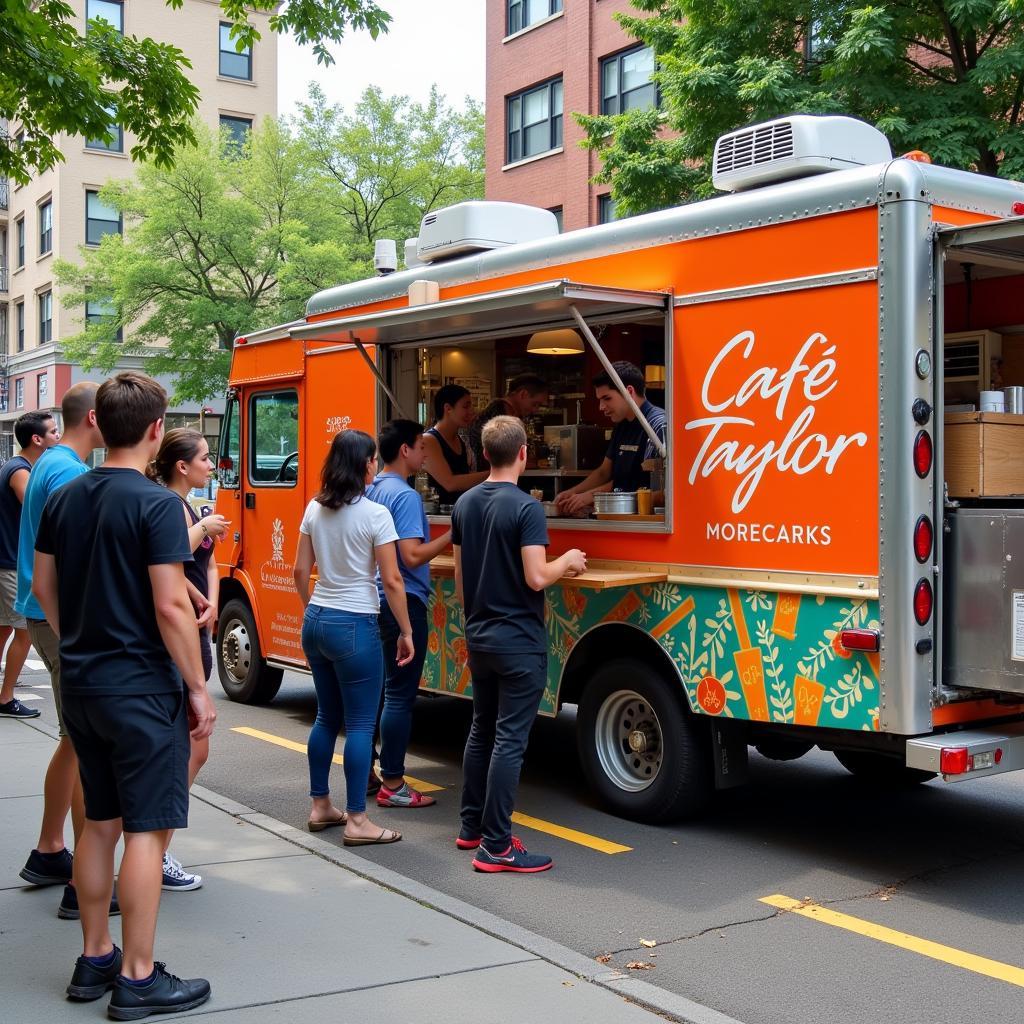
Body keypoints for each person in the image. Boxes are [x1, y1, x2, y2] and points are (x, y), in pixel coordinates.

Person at [32, 371, 214, 1017]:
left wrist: (79, 642)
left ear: (99, 426)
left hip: (83, 682)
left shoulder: (66, 497)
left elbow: (45, 587)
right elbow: (170, 605)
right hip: (141, 687)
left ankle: (95, 957)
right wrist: (198, 689)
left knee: (99, 825)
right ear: (157, 429)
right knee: (146, 829)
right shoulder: (157, 504)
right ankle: (138, 978)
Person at [452, 416, 586, 873]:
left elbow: (461, 577)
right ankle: (497, 845)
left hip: (481, 636)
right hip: (519, 641)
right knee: (509, 741)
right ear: (524, 453)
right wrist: (566, 560)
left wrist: (475, 623)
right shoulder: (526, 508)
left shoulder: (464, 503)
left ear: (485, 454)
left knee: (481, 730)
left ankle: (471, 828)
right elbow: (536, 576)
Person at [293, 429, 414, 846]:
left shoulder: (314, 508)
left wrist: (313, 607)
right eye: (374, 460)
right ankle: (359, 821)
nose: (376, 465)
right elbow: (393, 580)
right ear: (365, 465)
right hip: (356, 621)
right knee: (361, 723)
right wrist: (406, 630)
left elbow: (298, 572)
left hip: (318, 618)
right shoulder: (376, 515)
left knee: (327, 716)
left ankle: (321, 804)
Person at [16, 383, 106, 922]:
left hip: (42, 610)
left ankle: (51, 850)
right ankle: (81, 879)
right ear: (95, 418)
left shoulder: (50, 463)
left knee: (73, 743)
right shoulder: (71, 473)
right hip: (60, 618)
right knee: (85, 746)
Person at [146, 428, 232, 892]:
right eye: (204, 459)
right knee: (192, 745)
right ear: (182, 465)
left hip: (196, 628)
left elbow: (202, 567)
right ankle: (154, 850)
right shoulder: (168, 507)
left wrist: (210, 601)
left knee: (192, 746)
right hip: (180, 636)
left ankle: (155, 848)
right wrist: (202, 529)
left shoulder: (187, 506)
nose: (211, 466)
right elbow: (169, 562)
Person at [366, 419, 452, 808]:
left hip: (372, 599)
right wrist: (454, 533)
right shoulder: (404, 496)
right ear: (404, 450)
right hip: (403, 601)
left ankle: (367, 773)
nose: (424, 453)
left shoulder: (373, 488)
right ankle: (395, 783)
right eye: (421, 447)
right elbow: (412, 555)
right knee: (400, 695)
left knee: (378, 692)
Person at [0, 411, 60, 718]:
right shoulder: (21, 471)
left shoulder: (20, 466)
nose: (58, 437)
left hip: (6, 560)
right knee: (23, 632)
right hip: (10, 563)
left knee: (4, 630)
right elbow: (42, 511)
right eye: (53, 432)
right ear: (37, 439)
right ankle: (6, 698)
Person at [556, 361, 667, 515]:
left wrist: (592, 496)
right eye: (599, 400)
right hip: (620, 517)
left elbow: (661, 492)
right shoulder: (622, 425)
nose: (601, 407)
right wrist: (572, 493)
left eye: (607, 398)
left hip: (646, 520)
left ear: (628, 391)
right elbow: (604, 472)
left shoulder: (658, 425)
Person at [466, 373, 549, 469]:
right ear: (523, 394)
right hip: (486, 478)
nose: (535, 410)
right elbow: (503, 457)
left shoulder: (507, 411)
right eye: (535, 404)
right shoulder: (500, 411)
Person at [422, 384, 487, 506]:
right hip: (439, 518)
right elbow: (450, 483)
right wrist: (494, 473)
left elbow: (465, 477)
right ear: (448, 408)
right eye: (466, 406)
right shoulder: (429, 440)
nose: (471, 411)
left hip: (459, 512)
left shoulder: (459, 440)